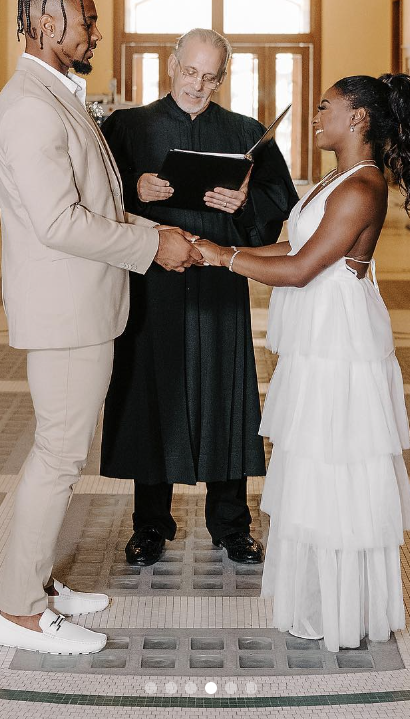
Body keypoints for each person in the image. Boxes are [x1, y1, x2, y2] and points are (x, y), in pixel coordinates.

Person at [0, 0, 202, 657]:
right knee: (56, 456)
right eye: (87, 21)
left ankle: (39, 587)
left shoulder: (57, 95)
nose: (95, 33)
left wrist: (157, 232)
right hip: (65, 313)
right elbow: (58, 222)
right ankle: (18, 613)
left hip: (84, 304)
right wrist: (151, 243)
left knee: (59, 453)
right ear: (47, 28)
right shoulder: (29, 105)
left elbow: (98, 205)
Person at [196, 73, 410, 652]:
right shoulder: (337, 179)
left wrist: (224, 258)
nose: (316, 114)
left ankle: (345, 609)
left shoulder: (363, 187)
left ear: (359, 119)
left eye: (327, 106)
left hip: (339, 345)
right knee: (315, 465)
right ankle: (321, 597)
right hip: (319, 338)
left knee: (336, 467)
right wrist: (213, 253)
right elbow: (295, 248)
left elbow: (301, 270)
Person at [100, 28, 298, 567]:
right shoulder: (128, 126)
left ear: (222, 78)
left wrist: (243, 200)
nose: (198, 85)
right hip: (150, 283)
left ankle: (232, 525)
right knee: (152, 395)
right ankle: (151, 525)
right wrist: (133, 188)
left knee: (225, 395)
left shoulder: (245, 131)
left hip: (218, 283)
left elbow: (281, 201)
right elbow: (87, 194)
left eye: (211, 77)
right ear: (171, 65)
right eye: (190, 72)